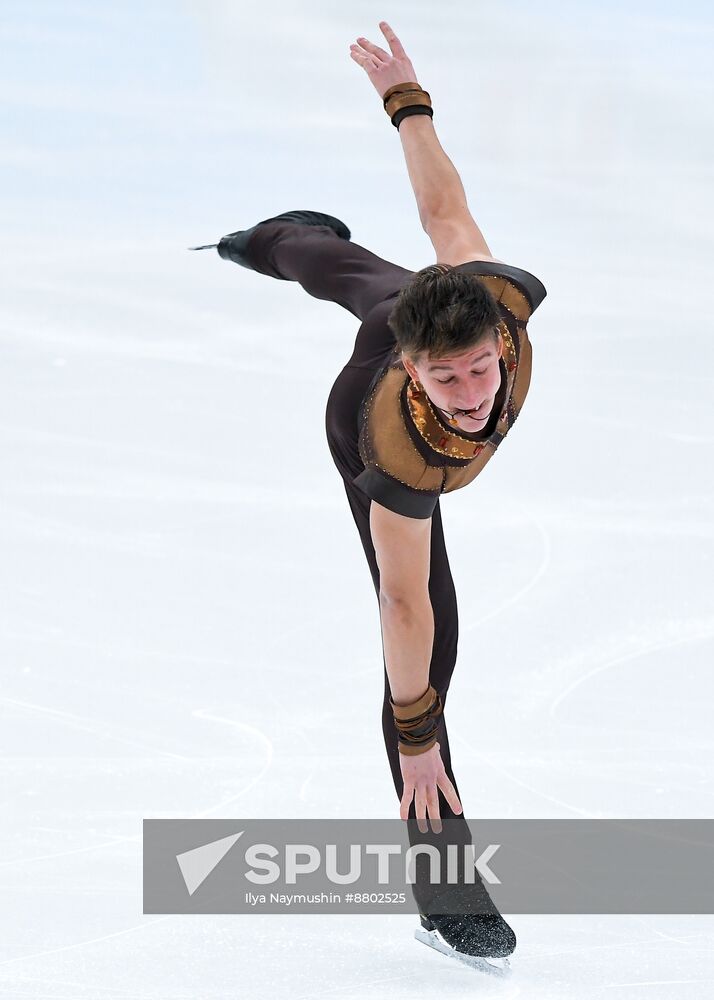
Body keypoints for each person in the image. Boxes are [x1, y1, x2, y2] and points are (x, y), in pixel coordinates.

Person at [191, 21, 546, 966]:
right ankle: (444, 885)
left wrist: (407, 99)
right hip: (361, 409)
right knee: (437, 643)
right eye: (451, 382)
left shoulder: (488, 299)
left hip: (411, 311)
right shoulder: (391, 441)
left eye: (481, 372)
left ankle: (277, 236)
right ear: (417, 374)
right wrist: (416, 734)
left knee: (358, 274)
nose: (475, 400)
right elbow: (401, 603)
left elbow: (443, 208)